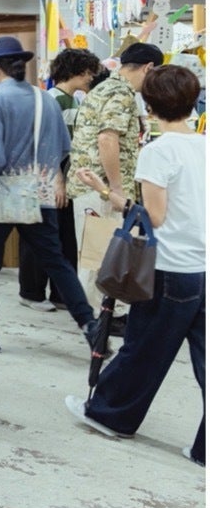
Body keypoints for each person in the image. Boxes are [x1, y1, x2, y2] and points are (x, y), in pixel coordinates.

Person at [67, 65, 205, 466]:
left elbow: (153, 217)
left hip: (170, 268)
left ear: (150, 105)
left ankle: (110, 415)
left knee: (142, 349)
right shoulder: (203, 145)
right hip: (202, 267)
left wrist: (105, 192)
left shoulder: (157, 152)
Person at [0, 36, 99, 354]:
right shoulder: (44, 99)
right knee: (57, 261)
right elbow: (64, 147)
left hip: (2, 193)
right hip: (40, 190)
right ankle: (89, 324)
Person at [66, 42, 164, 318]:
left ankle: (103, 316)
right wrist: (116, 189)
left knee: (98, 255)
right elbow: (107, 139)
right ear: (149, 68)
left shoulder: (104, 88)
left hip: (93, 186)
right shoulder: (120, 93)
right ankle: (96, 321)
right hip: (100, 189)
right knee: (98, 257)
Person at [19, 47, 101, 311]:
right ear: (78, 72)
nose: (91, 78)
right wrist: (58, 180)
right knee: (40, 236)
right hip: (47, 176)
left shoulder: (71, 100)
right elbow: (46, 144)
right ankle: (31, 292)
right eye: (89, 73)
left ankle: (59, 293)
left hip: (62, 175)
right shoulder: (52, 100)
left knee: (63, 236)